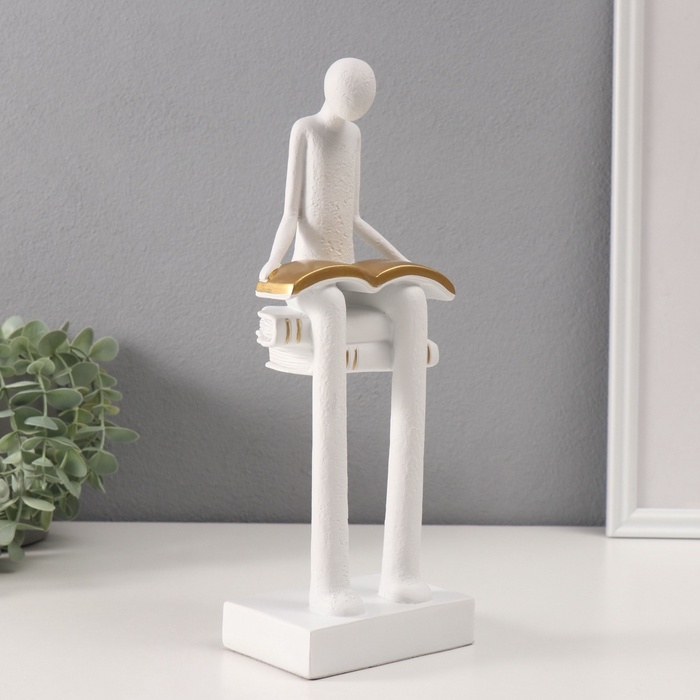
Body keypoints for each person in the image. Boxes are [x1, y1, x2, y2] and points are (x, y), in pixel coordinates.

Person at [259, 58, 431, 616]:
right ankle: (329, 583)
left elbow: (352, 216)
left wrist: (397, 257)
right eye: (351, 98)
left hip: (348, 267)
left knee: (411, 298)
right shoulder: (306, 131)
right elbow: (291, 212)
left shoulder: (353, 137)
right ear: (331, 91)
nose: (356, 110)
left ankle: (402, 572)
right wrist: (272, 264)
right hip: (312, 276)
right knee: (331, 307)